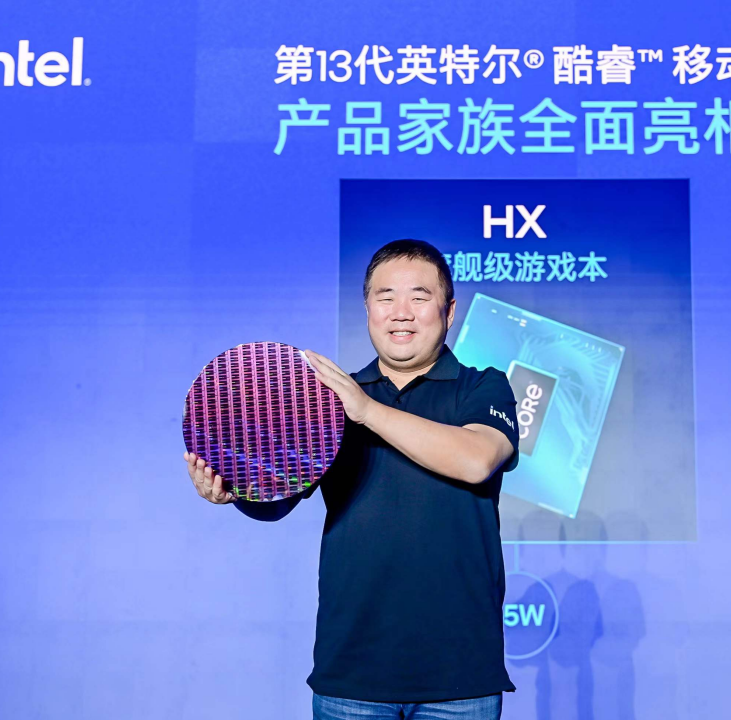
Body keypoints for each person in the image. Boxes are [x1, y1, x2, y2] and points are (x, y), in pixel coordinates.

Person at [184, 239, 521, 719]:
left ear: (448, 312)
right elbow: (276, 501)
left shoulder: (482, 386)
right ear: (368, 310)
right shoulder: (325, 400)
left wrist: (366, 411)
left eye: (419, 297)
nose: (401, 313)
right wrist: (234, 489)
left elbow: (476, 459)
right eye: (386, 297)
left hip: (461, 675)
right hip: (351, 674)